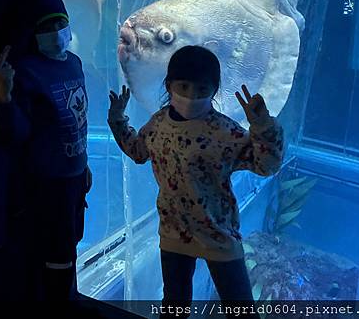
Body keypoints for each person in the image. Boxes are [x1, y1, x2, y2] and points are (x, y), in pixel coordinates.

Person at [107, 45, 283, 317]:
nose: (191, 97)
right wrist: (118, 119)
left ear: (214, 91)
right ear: (169, 85)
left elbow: (266, 165)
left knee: (241, 308)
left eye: (202, 90)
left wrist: (262, 126)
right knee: (174, 305)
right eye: (184, 86)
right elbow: (138, 151)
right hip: (173, 232)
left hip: (219, 234)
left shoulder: (224, 131)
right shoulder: (158, 124)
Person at [0, 0, 92, 301]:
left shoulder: (73, 62)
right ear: (32, 32)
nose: (56, 33)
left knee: (72, 239)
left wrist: (82, 166)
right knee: (56, 251)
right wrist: (2, 94)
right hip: (48, 182)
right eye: (46, 27)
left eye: (61, 23)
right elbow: (17, 134)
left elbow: (77, 123)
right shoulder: (27, 72)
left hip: (74, 175)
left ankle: (66, 299)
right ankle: (59, 306)